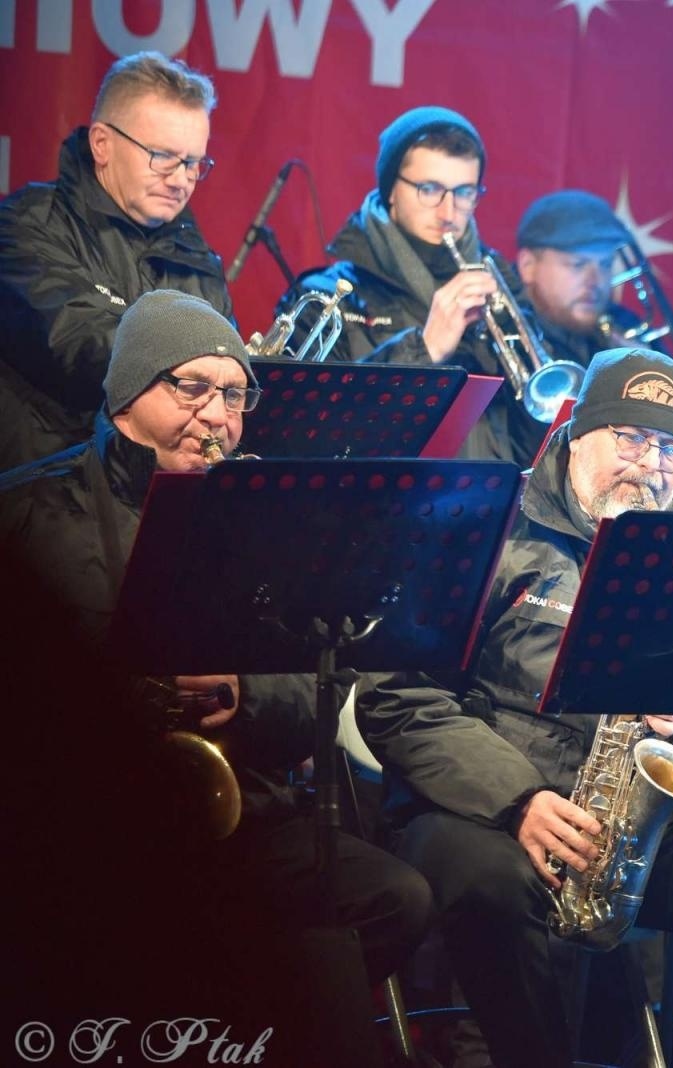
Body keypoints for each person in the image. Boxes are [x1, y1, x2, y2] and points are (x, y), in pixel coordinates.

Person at [0, 290, 432, 1052]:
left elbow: (316, 685)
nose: (216, 416)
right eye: (190, 386)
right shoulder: (31, 507)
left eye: (233, 395)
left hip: (242, 812)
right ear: (130, 392)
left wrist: (247, 696)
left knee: (395, 897)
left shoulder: (259, 512)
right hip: (84, 818)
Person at [357, 348, 673, 1068]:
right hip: (478, 813)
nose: (647, 464)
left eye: (669, 448)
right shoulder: (485, 529)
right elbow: (394, 697)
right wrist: (519, 801)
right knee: (494, 878)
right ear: (576, 435)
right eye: (629, 438)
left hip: (629, 830)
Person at [0, 51, 231, 470]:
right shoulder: (26, 223)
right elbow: (77, 344)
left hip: (157, 501)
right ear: (102, 144)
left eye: (193, 163)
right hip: (47, 499)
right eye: (162, 156)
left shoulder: (200, 260)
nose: (181, 179)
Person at [280, 106, 545, 464]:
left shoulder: (501, 286)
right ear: (391, 190)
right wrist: (424, 349)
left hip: (489, 509)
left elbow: (536, 449)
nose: (448, 213)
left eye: (464, 192)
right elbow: (304, 434)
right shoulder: (324, 297)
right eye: (429, 189)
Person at [514, 189, 645, 367]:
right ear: (527, 266)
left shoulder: (624, 324)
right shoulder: (497, 337)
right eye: (577, 265)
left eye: (605, 265)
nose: (595, 282)